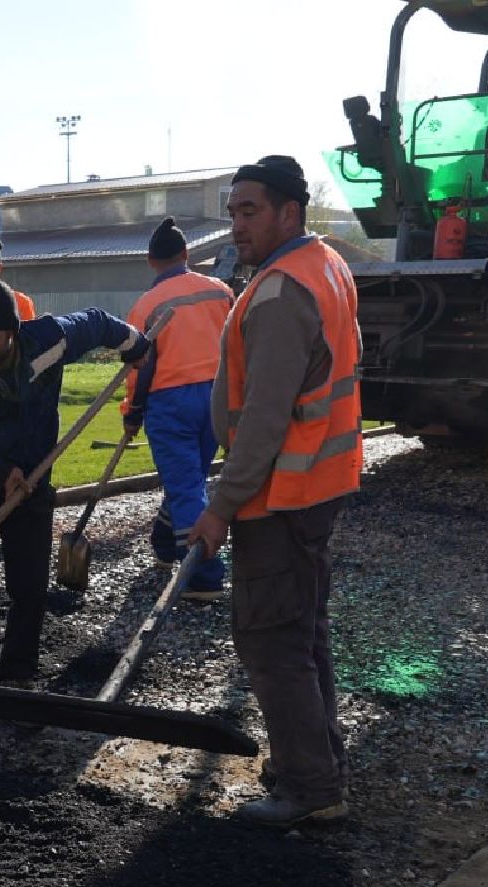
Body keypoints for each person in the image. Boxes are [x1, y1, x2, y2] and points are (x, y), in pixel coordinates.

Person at [184, 155, 363, 827]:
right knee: (304, 630)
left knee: (271, 641)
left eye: (249, 210)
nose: (236, 225)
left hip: (282, 494)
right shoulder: (325, 267)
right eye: (231, 212)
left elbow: (261, 417)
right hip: (316, 485)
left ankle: (309, 788)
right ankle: (316, 763)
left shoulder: (281, 290)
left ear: (290, 211)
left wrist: (218, 507)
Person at [0, 277, 153, 741]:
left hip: (33, 482)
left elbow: (98, 323)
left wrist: (136, 346)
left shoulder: (49, 340)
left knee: (29, 587)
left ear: (12, 331)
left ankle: (16, 680)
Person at [123, 215, 234, 600]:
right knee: (189, 479)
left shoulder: (147, 304)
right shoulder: (221, 291)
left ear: (151, 260)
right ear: (186, 253)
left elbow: (140, 366)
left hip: (172, 401)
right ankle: (166, 544)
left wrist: (131, 412)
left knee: (186, 485)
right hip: (219, 397)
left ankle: (203, 575)